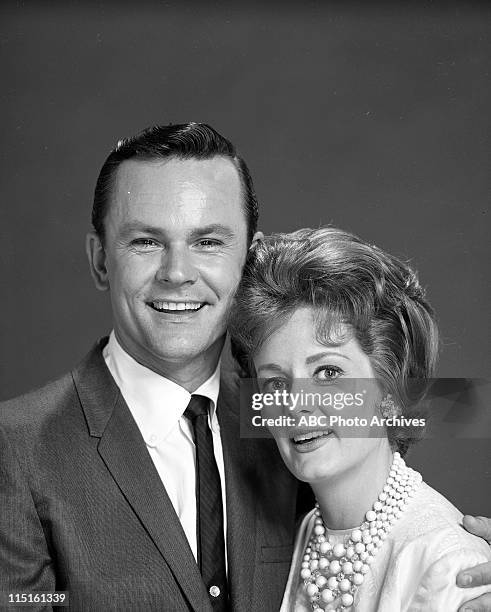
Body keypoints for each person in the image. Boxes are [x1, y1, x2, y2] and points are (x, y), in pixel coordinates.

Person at [0, 124, 489, 612]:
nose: (177, 273)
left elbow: (420, 419)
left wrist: (462, 546)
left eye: (208, 242)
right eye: (146, 241)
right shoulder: (18, 448)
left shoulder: (280, 408)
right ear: (101, 259)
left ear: (248, 257)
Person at [229, 227, 491, 610]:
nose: (296, 405)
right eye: (275, 383)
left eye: (328, 373)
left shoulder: (447, 561)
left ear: (389, 392)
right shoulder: (302, 536)